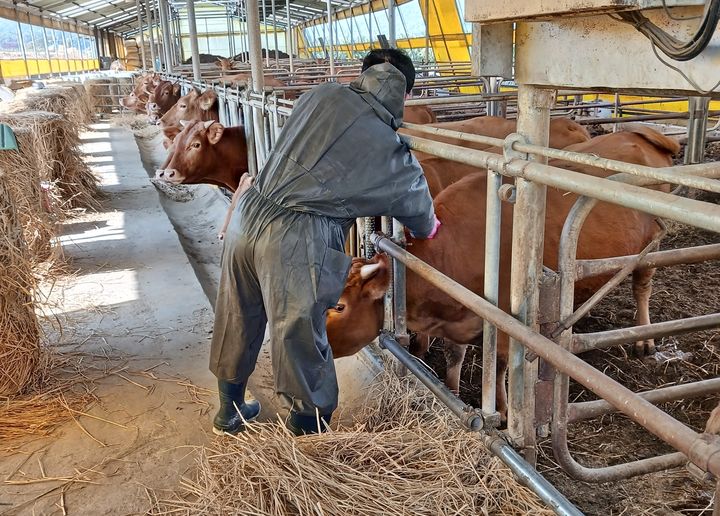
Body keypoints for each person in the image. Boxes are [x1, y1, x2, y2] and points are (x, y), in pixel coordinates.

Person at [210, 48, 441, 436]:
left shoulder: (320, 95)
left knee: (238, 311)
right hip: (295, 236)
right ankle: (309, 437)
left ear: (362, 75)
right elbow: (418, 209)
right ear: (405, 96)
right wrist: (429, 229)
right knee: (298, 332)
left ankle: (228, 413)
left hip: (249, 213)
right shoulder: (389, 147)